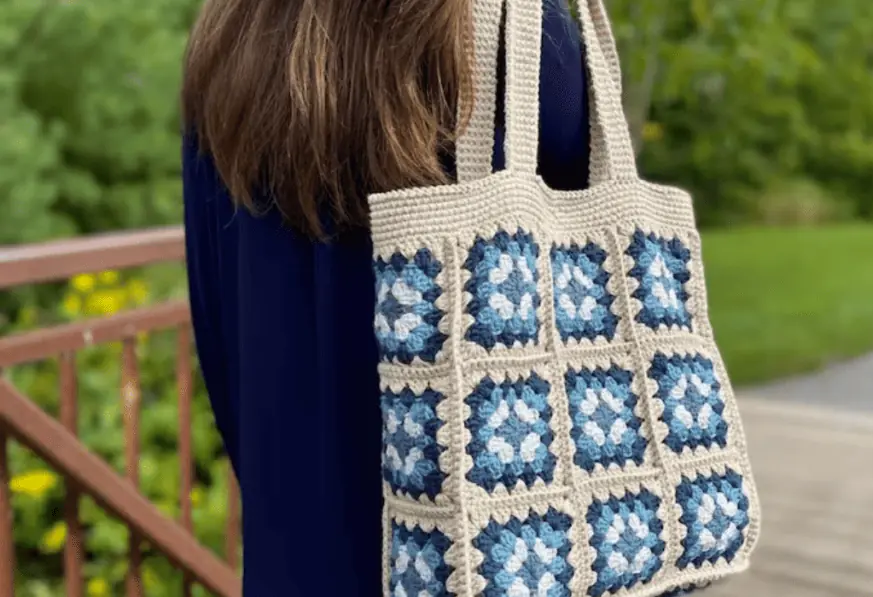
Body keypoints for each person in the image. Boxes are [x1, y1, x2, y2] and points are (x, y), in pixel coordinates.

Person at [180, 0, 590, 592]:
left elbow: (217, 328)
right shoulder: (514, 28)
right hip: (502, 555)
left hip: (295, 552)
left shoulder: (230, 34)